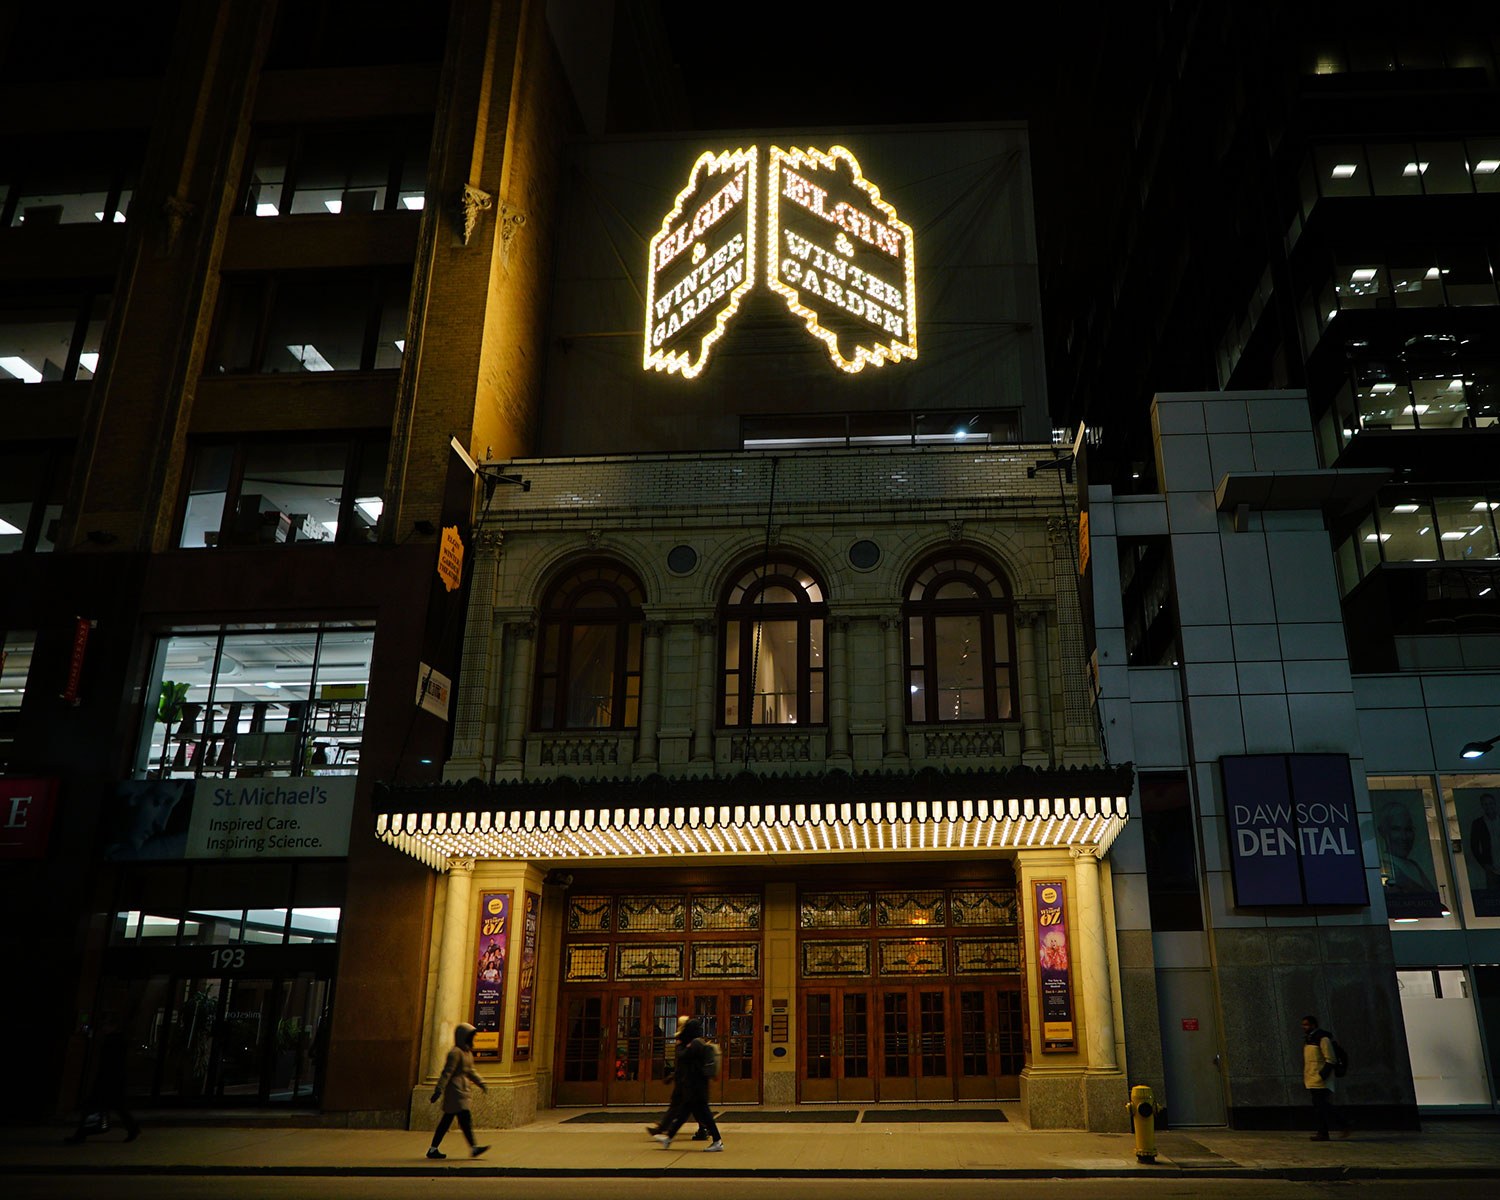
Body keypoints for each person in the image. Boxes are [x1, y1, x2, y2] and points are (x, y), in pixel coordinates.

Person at [65, 1014, 140, 1144]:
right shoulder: (118, 1040)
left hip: (108, 1080)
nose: (103, 1028)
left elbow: (109, 1063)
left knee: (94, 1107)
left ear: (113, 1026)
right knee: (117, 1107)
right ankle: (132, 1128)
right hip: (113, 1080)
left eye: (106, 1025)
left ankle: (81, 1135)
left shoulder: (112, 1041)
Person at [654, 1018, 722, 1153]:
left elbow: (683, 1055)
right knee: (684, 1113)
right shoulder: (697, 1042)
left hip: (696, 1087)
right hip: (695, 1086)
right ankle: (669, 1138)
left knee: (704, 1115)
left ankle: (717, 1140)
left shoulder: (696, 1044)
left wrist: (679, 1044)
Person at [426, 1022, 489, 1159]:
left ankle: (433, 1148)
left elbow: (470, 1071)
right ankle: (473, 1148)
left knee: (448, 1121)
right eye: (470, 1036)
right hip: (455, 1091)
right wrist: (439, 1089)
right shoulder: (455, 1053)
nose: (472, 1039)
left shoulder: (466, 1052)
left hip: (462, 1090)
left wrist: (481, 1083)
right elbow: (447, 1073)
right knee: (463, 1119)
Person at [646, 1015, 707, 1141]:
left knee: (685, 1106)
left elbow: (684, 1057)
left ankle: (665, 1130)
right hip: (685, 1079)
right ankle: (704, 1129)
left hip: (687, 1081)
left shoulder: (692, 1042)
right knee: (690, 1107)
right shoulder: (690, 1040)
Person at [1300, 1014, 1349, 1141]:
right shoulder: (1309, 1039)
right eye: (1303, 1024)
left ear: (1313, 1025)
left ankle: (1343, 1124)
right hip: (1312, 1077)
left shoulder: (1322, 1039)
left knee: (1322, 1105)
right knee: (1320, 1106)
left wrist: (1323, 1075)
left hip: (1321, 1078)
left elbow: (1330, 1058)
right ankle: (1323, 1132)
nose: (1304, 1027)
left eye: (1306, 1024)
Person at [1377, 800, 1437, 893]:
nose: (1404, 837)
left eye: (1408, 830)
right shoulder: (1385, 866)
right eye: (1396, 830)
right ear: (1383, 832)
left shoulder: (1413, 866)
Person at [1469, 793, 1500, 890]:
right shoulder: (1478, 823)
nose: (1489, 807)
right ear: (1482, 806)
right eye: (1485, 804)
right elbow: (1474, 846)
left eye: (1490, 803)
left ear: (1495, 804)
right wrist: (1484, 864)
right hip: (1492, 868)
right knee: (1493, 897)